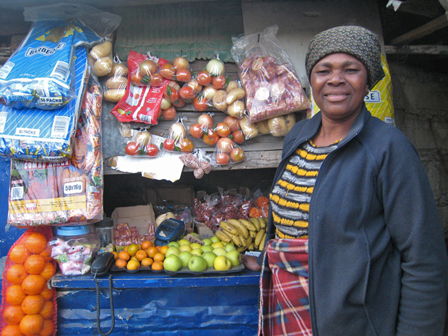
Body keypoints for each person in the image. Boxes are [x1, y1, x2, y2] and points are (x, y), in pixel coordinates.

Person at [242, 25, 448, 336]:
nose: (335, 79)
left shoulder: (389, 149)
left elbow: (424, 260)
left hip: (351, 320)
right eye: (324, 70)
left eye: (351, 69)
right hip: (286, 304)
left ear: (367, 82)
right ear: (311, 79)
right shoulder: (297, 136)